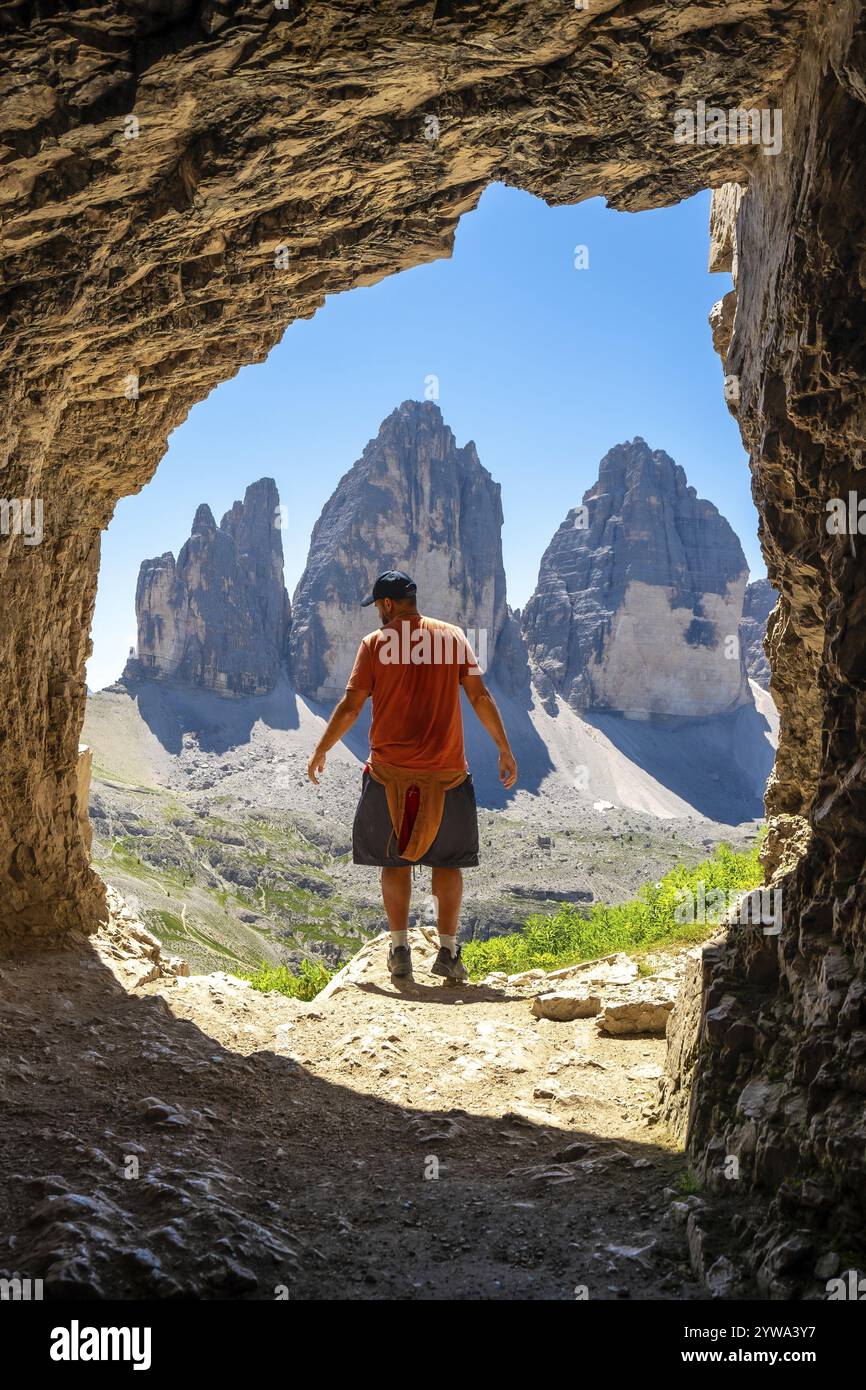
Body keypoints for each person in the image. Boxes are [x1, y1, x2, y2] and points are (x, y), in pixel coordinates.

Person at [306, 569, 518, 981]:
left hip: (389, 773)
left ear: (386, 605)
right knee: (448, 863)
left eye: (378, 608)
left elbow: (351, 705)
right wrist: (504, 748)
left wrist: (322, 748)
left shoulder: (375, 644)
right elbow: (479, 695)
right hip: (448, 772)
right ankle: (449, 952)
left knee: (394, 860)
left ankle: (400, 949)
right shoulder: (453, 637)